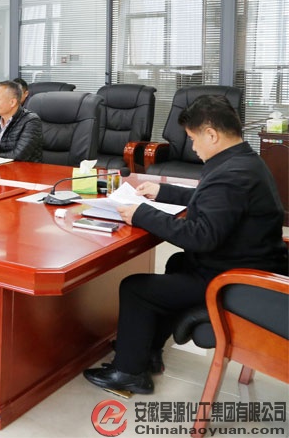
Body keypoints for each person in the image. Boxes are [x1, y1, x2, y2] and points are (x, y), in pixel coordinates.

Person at [83, 95, 287, 395]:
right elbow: (214, 202)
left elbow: (200, 236)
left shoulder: (231, 174)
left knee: (136, 288)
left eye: (193, 139)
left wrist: (142, 214)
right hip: (245, 263)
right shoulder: (243, 161)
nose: (192, 147)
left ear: (211, 135)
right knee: (176, 263)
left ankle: (129, 373)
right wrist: (163, 192)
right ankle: (147, 351)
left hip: (234, 281)